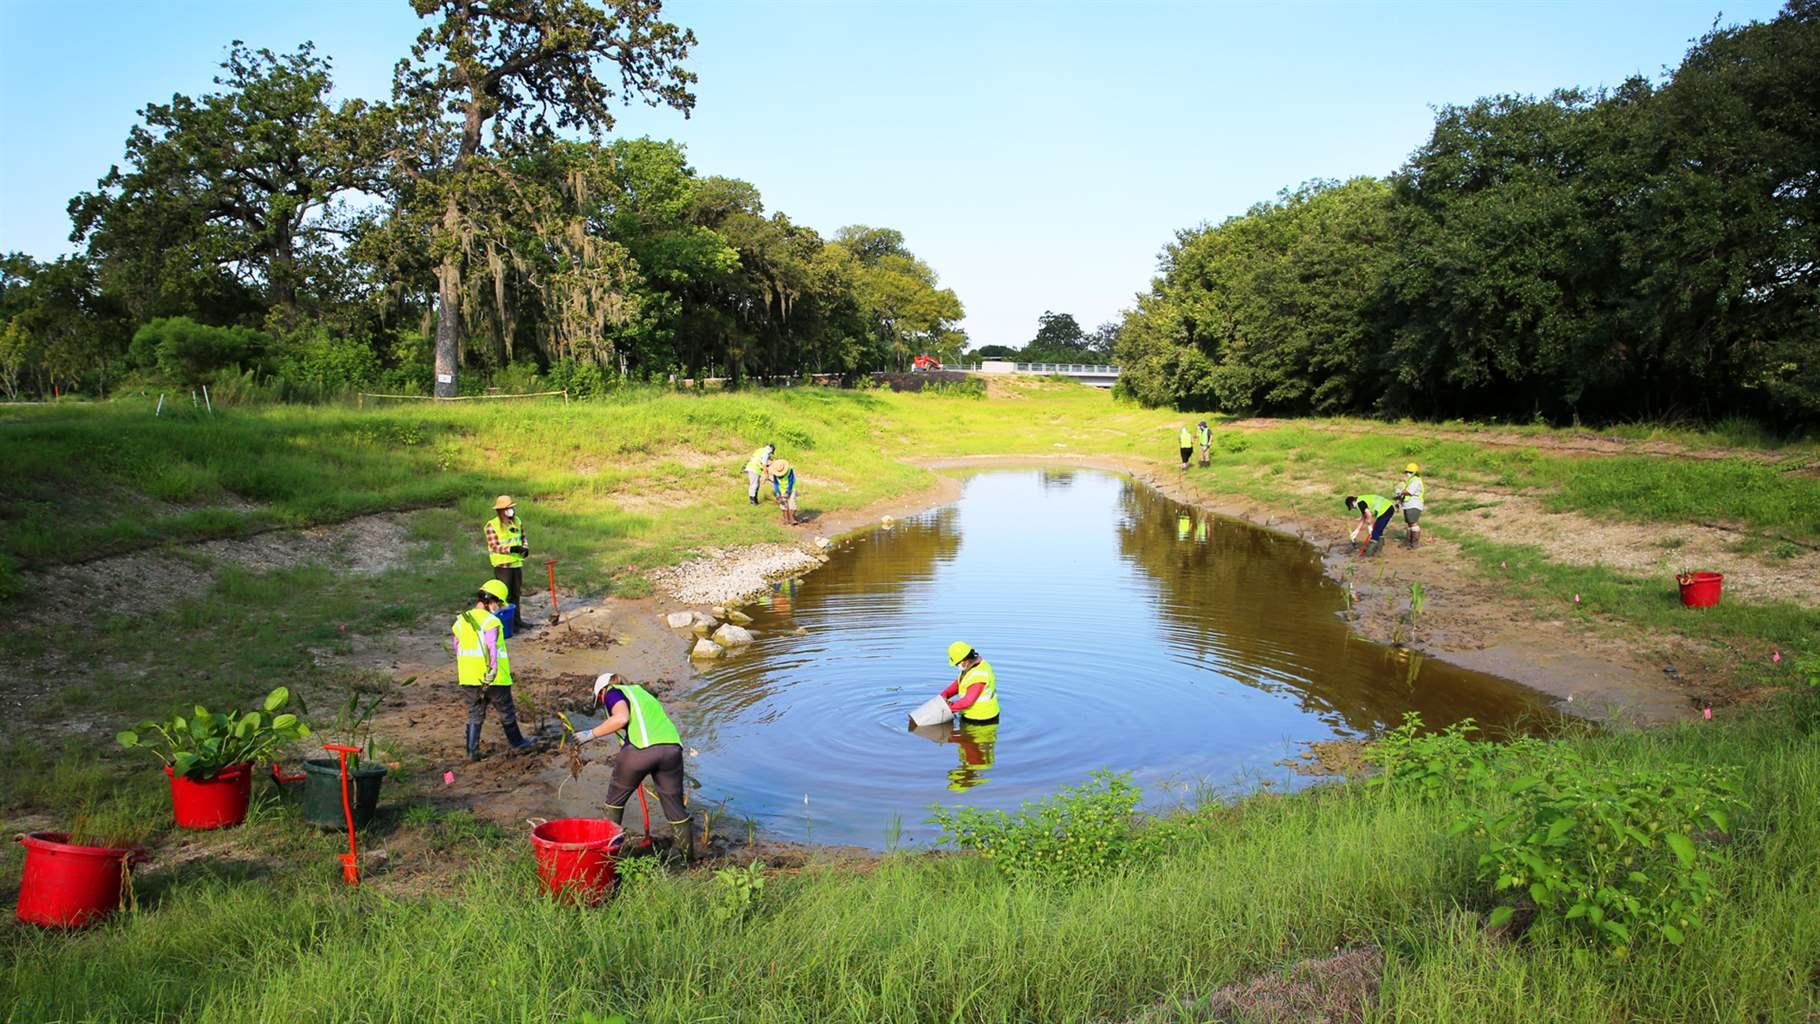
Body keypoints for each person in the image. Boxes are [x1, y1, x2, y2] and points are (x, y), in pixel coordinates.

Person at [568, 672, 694, 864]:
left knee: (614, 801)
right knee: (675, 808)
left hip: (640, 752)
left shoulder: (612, 692)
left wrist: (589, 734)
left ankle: (607, 858)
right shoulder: (640, 693)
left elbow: (620, 719)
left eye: (601, 702)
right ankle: (688, 862)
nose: (604, 705)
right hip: (672, 750)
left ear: (601, 692)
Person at [452, 579, 539, 760]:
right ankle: (517, 742)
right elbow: (491, 645)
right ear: (490, 601)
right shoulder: (491, 621)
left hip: (468, 677)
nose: (498, 607)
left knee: (475, 712)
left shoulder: (461, 621)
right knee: (506, 709)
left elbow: (456, 646)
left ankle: (472, 751)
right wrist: (492, 669)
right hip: (494, 678)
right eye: (498, 603)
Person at [484, 495, 529, 630]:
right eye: (508, 508)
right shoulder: (492, 525)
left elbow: (523, 536)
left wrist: (525, 548)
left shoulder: (517, 521)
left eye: (511, 507)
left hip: (516, 563)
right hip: (503, 566)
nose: (511, 510)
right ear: (501, 510)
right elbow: (494, 545)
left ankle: (517, 621)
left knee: (516, 594)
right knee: (505, 596)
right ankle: (506, 624)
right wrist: (511, 549)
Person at [939, 641, 1000, 724]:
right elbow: (959, 683)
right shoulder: (969, 667)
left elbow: (967, 701)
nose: (957, 666)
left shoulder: (979, 675)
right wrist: (945, 694)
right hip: (971, 716)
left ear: (965, 661)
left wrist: (947, 709)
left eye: (957, 664)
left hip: (982, 719)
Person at [1393, 462, 1425, 548]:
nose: (1408, 474)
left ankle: (1414, 543)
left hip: (1414, 504)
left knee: (1413, 523)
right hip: (1408, 505)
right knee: (1409, 523)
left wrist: (1399, 491)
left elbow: (1409, 492)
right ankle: (1408, 541)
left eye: (1410, 472)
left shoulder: (1416, 481)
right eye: (1407, 472)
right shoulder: (1410, 481)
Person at [769, 458, 799, 526]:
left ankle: (792, 518)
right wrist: (777, 493)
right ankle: (786, 519)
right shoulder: (775, 473)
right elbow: (776, 484)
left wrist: (788, 492)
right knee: (783, 503)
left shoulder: (789, 471)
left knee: (792, 502)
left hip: (791, 488)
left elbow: (791, 482)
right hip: (781, 489)